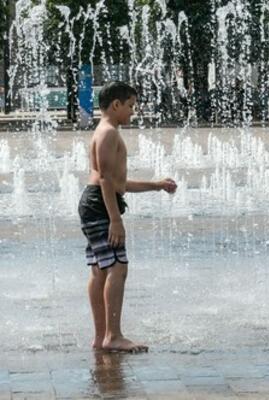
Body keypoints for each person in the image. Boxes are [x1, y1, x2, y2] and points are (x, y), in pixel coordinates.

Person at [78, 82, 177, 353]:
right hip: (101, 205)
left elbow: (118, 183)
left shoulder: (105, 131)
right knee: (117, 267)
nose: (133, 112)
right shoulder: (109, 132)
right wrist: (115, 219)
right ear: (116, 105)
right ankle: (113, 335)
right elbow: (107, 180)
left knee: (100, 269)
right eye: (131, 106)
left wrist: (156, 185)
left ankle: (101, 337)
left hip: (95, 203)